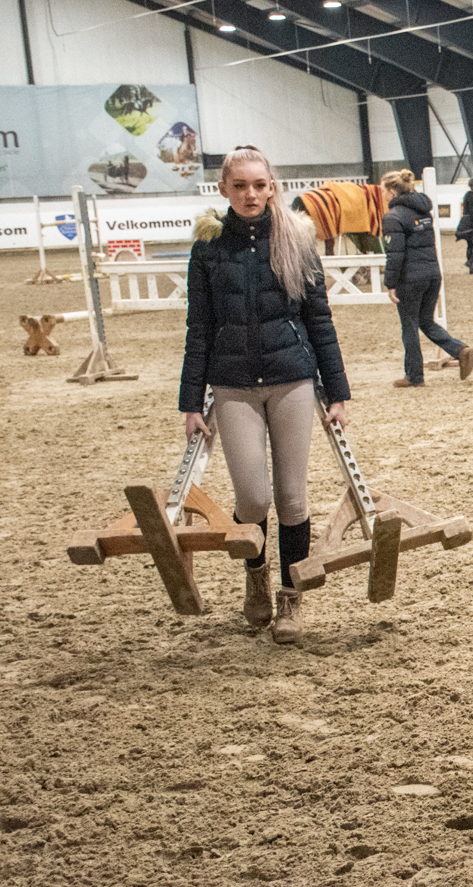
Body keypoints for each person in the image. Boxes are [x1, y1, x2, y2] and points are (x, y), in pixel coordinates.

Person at [179, 145, 351, 642]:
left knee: (292, 499)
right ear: (223, 190)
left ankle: (291, 601)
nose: (250, 194)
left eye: (259, 185)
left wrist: (335, 391)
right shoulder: (208, 249)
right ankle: (255, 577)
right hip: (232, 386)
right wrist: (192, 402)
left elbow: (320, 321)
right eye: (240, 186)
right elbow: (198, 328)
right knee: (253, 500)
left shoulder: (297, 241)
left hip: (292, 379)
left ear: (272, 186)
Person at [380, 169, 473, 387]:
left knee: (410, 325)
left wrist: (391, 283)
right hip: (433, 274)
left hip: (410, 278)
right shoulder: (424, 212)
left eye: (384, 191)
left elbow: (395, 255)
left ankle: (414, 375)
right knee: (425, 320)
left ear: (393, 191)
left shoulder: (393, 217)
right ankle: (460, 350)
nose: (383, 195)